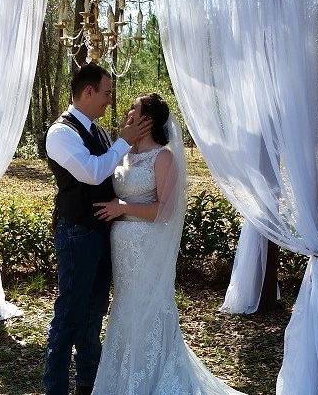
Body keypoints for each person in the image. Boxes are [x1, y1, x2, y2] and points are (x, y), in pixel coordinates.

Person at [91, 93, 245, 395]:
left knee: (147, 306)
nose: (127, 112)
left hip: (148, 246)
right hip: (121, 246)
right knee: (124, 307)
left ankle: (152, 375)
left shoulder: (162, 157)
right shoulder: (122, 153)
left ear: (147, 119)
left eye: (134, 109)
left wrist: (123, 207)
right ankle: (123, 377)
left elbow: (165, 212)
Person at [43, 64, 152, 395]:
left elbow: (112, 173)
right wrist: (122, 143)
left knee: (92, 318)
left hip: (102, 235)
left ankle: (89, 386)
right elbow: (91, 172)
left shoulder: (100, 132)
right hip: (77, 234)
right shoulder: (61, 134)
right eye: (106, 93)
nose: (109, 100)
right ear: (88, 92)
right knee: (69, 317)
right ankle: (55, 388)